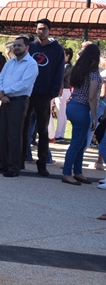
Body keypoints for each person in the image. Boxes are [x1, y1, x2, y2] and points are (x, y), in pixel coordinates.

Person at [0, 37, 39, 177]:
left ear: (27, 47)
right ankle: (2, 162)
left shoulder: (31, 64)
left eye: (19, 45)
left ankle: (14, 166)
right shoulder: (10, 62)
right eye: (14, 45)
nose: (16, 48)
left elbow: (24, 84)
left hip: (18, 101)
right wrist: (1, 92)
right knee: (2, 133)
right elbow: (0, 77)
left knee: (14, 134)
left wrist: (5, 92)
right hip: (5, 99)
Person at [24, 19, 65, 176]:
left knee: (43, 131)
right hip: (28, 93)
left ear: (49, 31)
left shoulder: (56, 49)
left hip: (44, 95)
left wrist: (53, 92)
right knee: (24, 128)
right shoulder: (30, 47)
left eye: (44, 29)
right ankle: (20, 159)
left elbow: (59, 72)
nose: (41, 31)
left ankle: (42, 164)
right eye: (39, 29)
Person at [60, 44, 101, 185]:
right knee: (77, 143)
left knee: (81, 142)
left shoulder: (79, 70)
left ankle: (78, 172)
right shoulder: (93, 74)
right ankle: (67, 173)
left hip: (73, 105)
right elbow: (92, 97)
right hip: (82, 108)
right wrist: (94, 117)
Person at [52, 47, 74, 142]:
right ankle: (60, 134)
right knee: (62, 113)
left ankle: (59, 134)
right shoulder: (68, 66)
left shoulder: (66, 66)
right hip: (65, 90)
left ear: (68, 56)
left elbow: (60, 76)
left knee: (60, 113)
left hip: (63, 90)